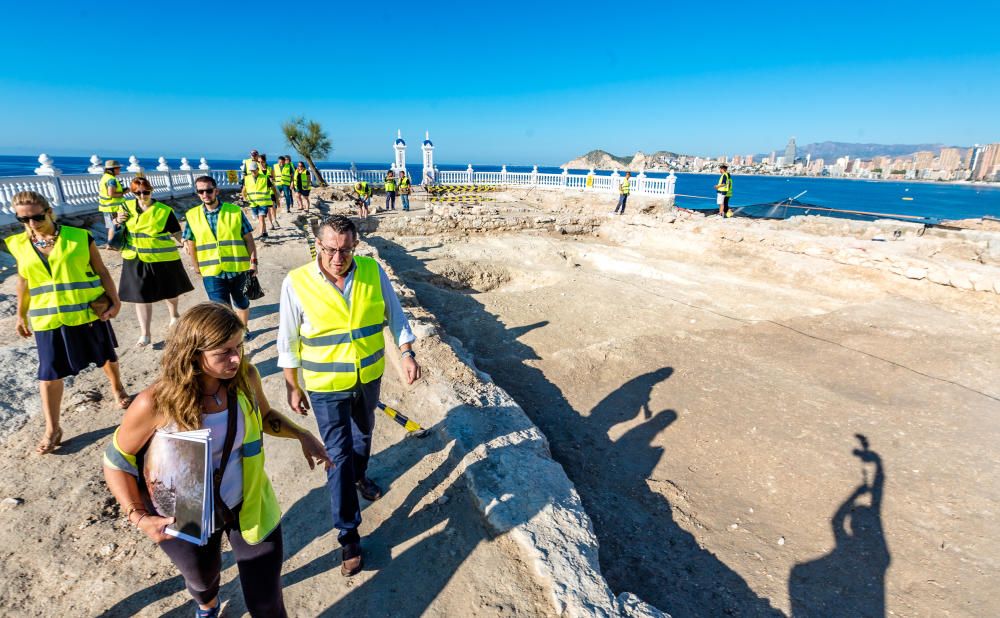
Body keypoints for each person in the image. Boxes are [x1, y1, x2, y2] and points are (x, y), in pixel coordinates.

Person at [103, 302, 332, 618]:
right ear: (193, 353)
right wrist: (140, 518)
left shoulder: (246, 377)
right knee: (202, 578)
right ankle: (207, 606)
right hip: (185, 512)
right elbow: (116, 461)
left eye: (239, 346)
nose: (237, 358)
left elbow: (263, 416)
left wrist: (301, 434)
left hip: (248, 503)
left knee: (266, 600)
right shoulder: (154, 403)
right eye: (224, 352)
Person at [277, 215, 421, 576]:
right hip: (326, 386)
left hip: (368, 377)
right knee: (337, 456)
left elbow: (395, 314)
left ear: (355, 245)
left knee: (363, 438)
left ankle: (360, 476)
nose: (336, 257)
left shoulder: (372, 271)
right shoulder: (296, 282)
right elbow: (288, 339)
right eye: (329, 249)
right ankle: (349, 535)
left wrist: (406, 352)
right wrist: (292, 384)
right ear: (318, 246)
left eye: (344, 250)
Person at [4, 191, 130, 454]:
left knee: (105, 355)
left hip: (85, 312)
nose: (31, 224)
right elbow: (24, 281)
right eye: (23, 219)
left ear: (49, 211)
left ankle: (117, 388)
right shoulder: (17, 244)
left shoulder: (78, 237)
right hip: (46, 318)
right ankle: (53, 428)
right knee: (49, 372)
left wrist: (115, 300)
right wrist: (20, 315)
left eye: (37, 217)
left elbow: (101, 270)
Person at [116, 177, 194, 347]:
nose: (142, 195)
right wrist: (117, 221)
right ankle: (145, 334)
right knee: (141, 296)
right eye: (137, 193)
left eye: (145, 192)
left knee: (170, 292)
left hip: (162, 257)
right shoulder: (125, 207)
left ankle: (174, 314)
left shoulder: (164, 211)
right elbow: (115, 226)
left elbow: (176, 232)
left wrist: (186, 244)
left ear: (151, 191)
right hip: (135, 257)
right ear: (133, 193)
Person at [183, 176, 258, 331]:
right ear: (197, 193)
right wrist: (195, 266)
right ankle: (231, 336)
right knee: (221, 309)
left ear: (216, 191)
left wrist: (254, 262)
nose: (205, 194)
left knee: (242, 303)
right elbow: (191, 242)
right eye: (201, 191)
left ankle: (243, 330)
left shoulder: (235, 211)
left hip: (238, 268)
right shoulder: (192, 215)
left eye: (209, 190)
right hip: (211, 271)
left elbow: (248, 239)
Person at [241, 162, 275, 240]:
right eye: (251, 170)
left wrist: (276, 198)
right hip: (253, 203)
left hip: (263, 202)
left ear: (257, 169)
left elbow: (272, 188)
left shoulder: (265, 178)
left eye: (254, 170)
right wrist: (244, 198)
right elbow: (244, 190)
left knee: (261, 218)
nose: (253, 172)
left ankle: (261, 234)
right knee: (259, 218)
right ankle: (265, 232)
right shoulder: (247, 178)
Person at [98, 160, 127, 248]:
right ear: (112, 169)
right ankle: (111, 245)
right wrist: (124, 192)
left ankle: (111, 244)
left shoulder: (105, 177)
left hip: (108, 207)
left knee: (112, 226)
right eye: (118, 168)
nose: (119, 170)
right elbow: (111, 194)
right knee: (113, 226)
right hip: (112, 207)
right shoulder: (111, 180)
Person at [258, 154, 280, 230]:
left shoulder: (270, 169)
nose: (261, 163)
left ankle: (274, 220)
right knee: (267, 209)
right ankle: (271, 224)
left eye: (262, 161)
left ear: (265, 161)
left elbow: (274, 179)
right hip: (263, 192)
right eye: (259, 162)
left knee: (273, 207)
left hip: (271, 191)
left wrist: (272, 180)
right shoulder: (257, 170)